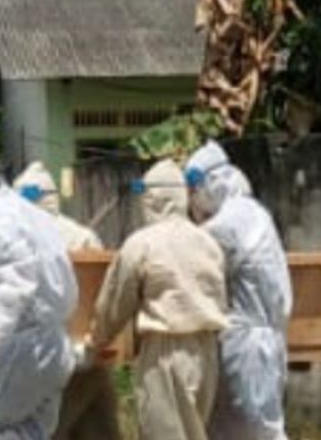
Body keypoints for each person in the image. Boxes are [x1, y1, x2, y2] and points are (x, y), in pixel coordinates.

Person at [87, 159, 229, 440]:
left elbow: (116, 302)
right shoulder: (208, 242)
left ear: (152, 199)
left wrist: (95, 342)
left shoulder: (143, 243)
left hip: (166, 352)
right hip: (207, 352)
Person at [0, 172, 78, 440]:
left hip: (22, 342)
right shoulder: (31, 215)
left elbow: (15, 282)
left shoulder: (1, 221)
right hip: (54, 340)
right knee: (32, 429)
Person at [185, 142, 293, 440]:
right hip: (259, 343)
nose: (194, 200)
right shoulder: (252, 212)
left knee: (253, 432)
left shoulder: (231, 222)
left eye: (195, 190)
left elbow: (187, 253)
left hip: (246, 349)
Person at [13, 162, 119, 440]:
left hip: (36, 361)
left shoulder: (11, 239)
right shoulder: (82, 236)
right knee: (99, 426)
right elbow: (103, 295)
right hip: (85, 354)